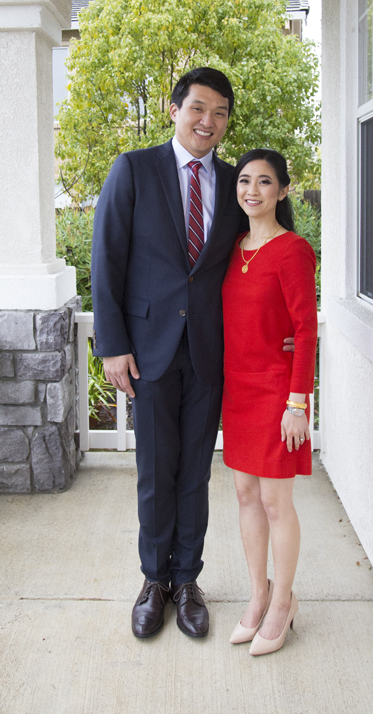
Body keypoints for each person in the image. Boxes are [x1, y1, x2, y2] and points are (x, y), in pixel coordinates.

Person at [91, 67, 246, 640]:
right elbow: (106, 258)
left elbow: (258, 254)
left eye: (220, 112)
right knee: (155, 473)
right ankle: (154, 580)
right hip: (148, 352)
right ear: (175, 110)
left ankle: (187, 581)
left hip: (209, 352)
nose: (209, 121)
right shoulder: (134, 169)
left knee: (195, 474)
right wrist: (112, 345)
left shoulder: (234, 182)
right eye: (199, 108)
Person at [221, 148, 318, 656]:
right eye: (244, 180)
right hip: (237, 390)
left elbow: (306, 331)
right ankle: (258, 595)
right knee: (245, 496)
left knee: (277, 502)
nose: (252, 190)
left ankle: (284, 602)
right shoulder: (233, 247)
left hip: (279, 394)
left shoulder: (293, 250)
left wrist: (297, 404)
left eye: (264, 181)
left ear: (282, 190)